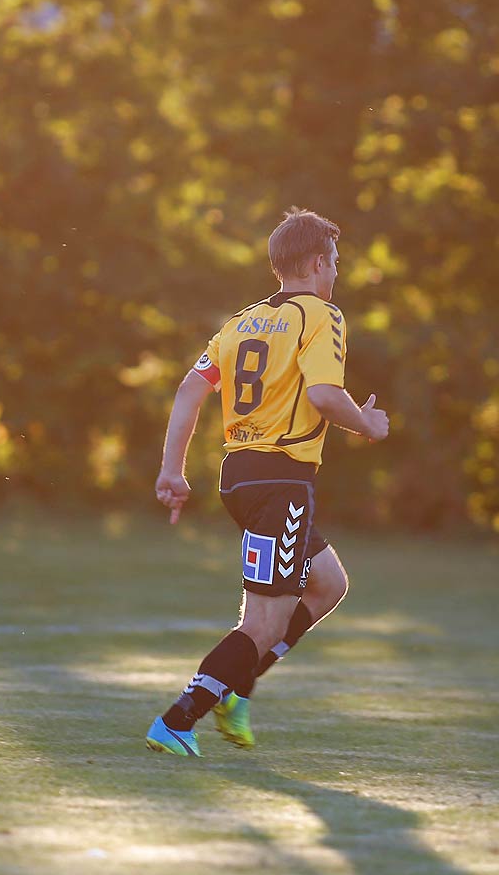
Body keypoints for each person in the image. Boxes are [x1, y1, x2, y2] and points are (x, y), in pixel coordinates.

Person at [145, 208, 389, 756]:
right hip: (281, 481)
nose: (336, 272)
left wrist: (172, 469)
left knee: (328, 584)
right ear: (311, 263)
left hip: (241, 478)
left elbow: (190, 388)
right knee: (262, 622)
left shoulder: (242, 322)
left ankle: (238, 690)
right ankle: (179, 718)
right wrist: (369, 424)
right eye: (334, 261)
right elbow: (326, 396)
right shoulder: (320, 315)